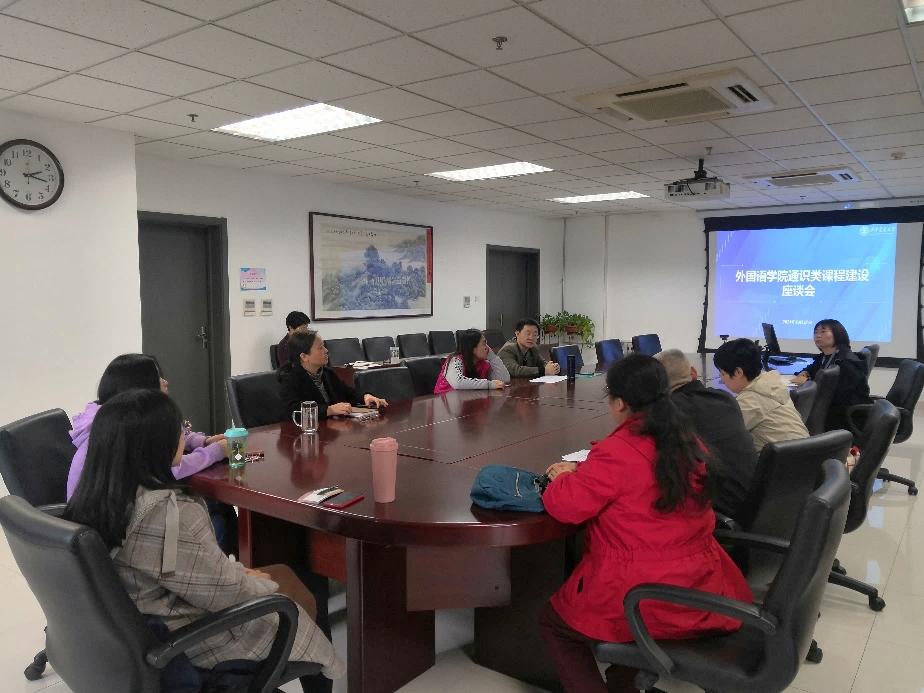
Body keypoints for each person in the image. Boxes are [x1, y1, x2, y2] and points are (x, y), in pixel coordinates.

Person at [64, 389, 344, 690]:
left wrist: (235, 571)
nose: (184, 436)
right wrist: (248, 578)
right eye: (179, 429)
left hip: (136, 629)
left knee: (284, 577)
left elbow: (189, 571)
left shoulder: (93, 499)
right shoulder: (165, 512)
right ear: (158, 444)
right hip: (188, 640)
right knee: (295, 594)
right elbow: (226, 592)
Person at [539, 355, 752, 693]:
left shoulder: (618, 452)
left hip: (642, 594)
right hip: (701, 586)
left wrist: (562, 477)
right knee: (627, 628)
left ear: (620, 403)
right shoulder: (687, 440)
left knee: (554, 624)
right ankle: (623, 683)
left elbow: (566, 508)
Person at [66, 354, 239, 554]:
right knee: (208, 509)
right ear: (139, 387)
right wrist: (215, 451)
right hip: (116, 533)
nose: (165, 382)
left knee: (214, 507)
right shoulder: (122, 430)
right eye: (157, 377)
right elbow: (166, 469)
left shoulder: (110, 416)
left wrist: (202, 441)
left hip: (99, 529)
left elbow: (174, 436)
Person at [655, 349, 757, 518]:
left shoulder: (669, 412)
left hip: (720, 511)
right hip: (754, 501)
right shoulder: (725, 398)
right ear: (693, 373)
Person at [713, 339, 809, 452]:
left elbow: (718, 435)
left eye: (722, 374)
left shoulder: (750, 401)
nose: (722, 380)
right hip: (805, 453)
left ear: (738, 372)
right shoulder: (771, 385)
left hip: (783, 460)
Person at [278, 330, 389, 419]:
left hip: (331, 429)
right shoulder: (288, 378)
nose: (326, 350)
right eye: (320, 348)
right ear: (304, 356)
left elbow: (348, 393)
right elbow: (293, 411)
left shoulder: (327, 373)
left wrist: (365, 397)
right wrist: (328, 410)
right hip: (301, 435)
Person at [791, 319, 870, 431]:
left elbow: (837, 393)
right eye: (816, 332)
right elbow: (811, 369)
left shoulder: (846, 362)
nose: (818, 335)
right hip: (829, 410)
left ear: (838, 334)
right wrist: (805, 373)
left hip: (843, 418)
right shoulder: (825, 356)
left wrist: (808, 383)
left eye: (823, 331)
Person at [433, 329, 510, 392]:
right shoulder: (454, 360)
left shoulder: (483, 364)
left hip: (468, 400)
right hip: (445, 400)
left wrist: (492, 357)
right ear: (472, 347)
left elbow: (504, 379)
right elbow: (458, 383)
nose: (487, 348)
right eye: (484, 344)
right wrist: (489, 384)